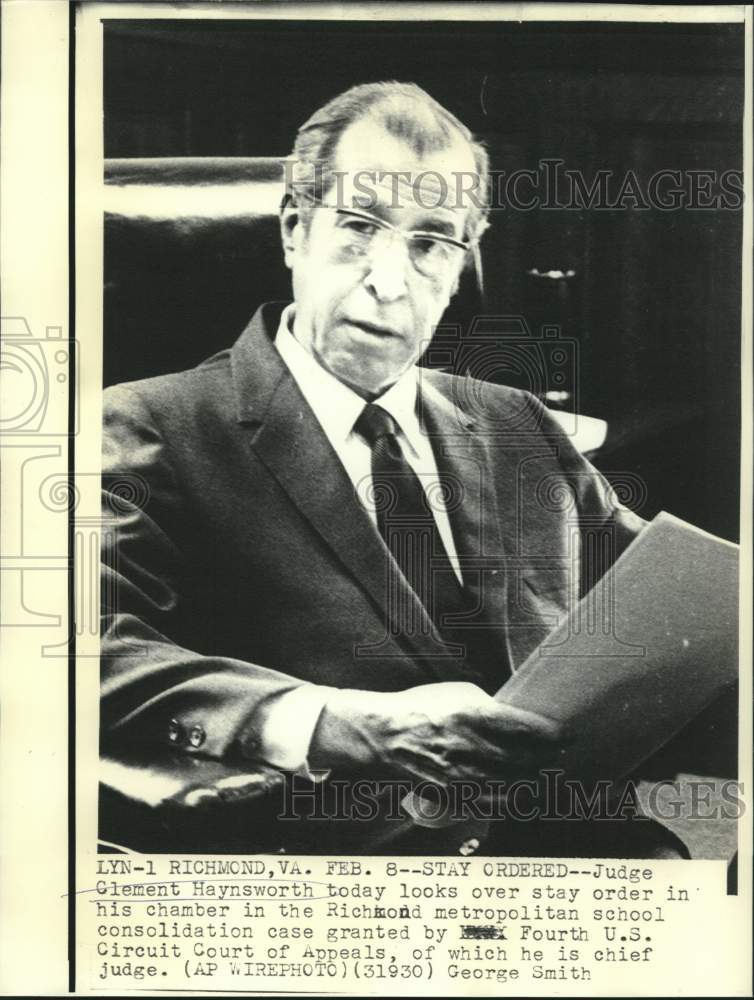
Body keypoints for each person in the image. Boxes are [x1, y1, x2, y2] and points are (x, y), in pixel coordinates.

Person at [100, 81, 685, 857]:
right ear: (293, 231)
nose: (388, 279)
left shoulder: (520, 424)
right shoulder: (150, 425)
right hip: (341, 881)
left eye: (430, 242)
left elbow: (672, 606)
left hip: (579, 855)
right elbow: (85, 650)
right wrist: (337, 723)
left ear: (460, 264)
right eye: (359, 227)